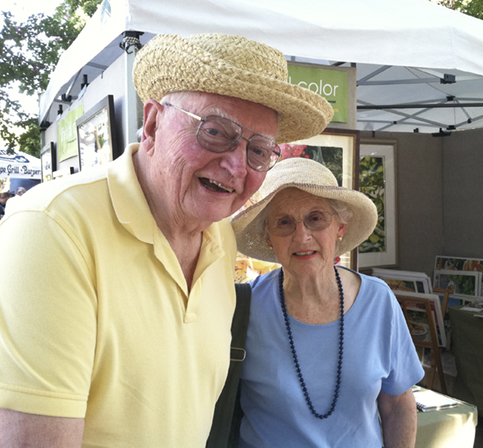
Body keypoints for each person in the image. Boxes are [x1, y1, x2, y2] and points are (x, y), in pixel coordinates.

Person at [0, 33, 332, 447]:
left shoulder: (220, 238)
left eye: (259, 151)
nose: (234, 165)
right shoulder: (54, 228)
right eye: (214, 131)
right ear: (154, 122)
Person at [232, 158, 424, 447]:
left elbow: (398, 405)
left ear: (340, 228)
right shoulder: (243, 307)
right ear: (268, 238)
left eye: (316, 218)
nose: (302, 235)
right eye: (284, 222)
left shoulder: (377, 300)